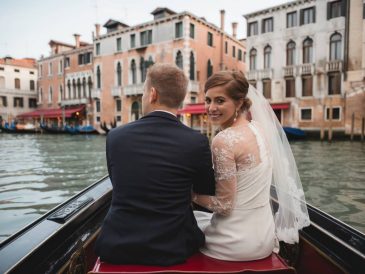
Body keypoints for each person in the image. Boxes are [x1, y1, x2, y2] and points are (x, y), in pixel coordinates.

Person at [95, 63, 215, 266]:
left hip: (116, 245)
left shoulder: (115, 137)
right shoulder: (197, 142)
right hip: (174, 247)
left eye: (142, 92)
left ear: (152, 94)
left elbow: (119, 182)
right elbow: (205, 192)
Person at [193, 71, 310, 261]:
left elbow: (224, 205)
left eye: (220, 101)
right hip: (263, 237)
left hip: (233, 243)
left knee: (189, 223)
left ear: (239, 103)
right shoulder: (260, 128)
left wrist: (191, 194)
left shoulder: (223, 140)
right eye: (208, 100)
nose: (211, 108)